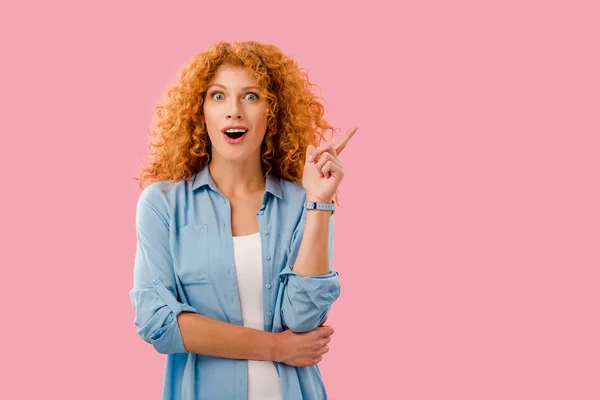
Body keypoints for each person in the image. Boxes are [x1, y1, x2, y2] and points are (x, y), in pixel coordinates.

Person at [129, 40, 357, 400]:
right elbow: (158, 323)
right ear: (198, 111)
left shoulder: (302, 201)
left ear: (273, 111)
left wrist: (319, 204)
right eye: (218, 96)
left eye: (251, 97)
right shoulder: (162, 205)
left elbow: (303, 319)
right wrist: (277, 348)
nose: (234, 111)